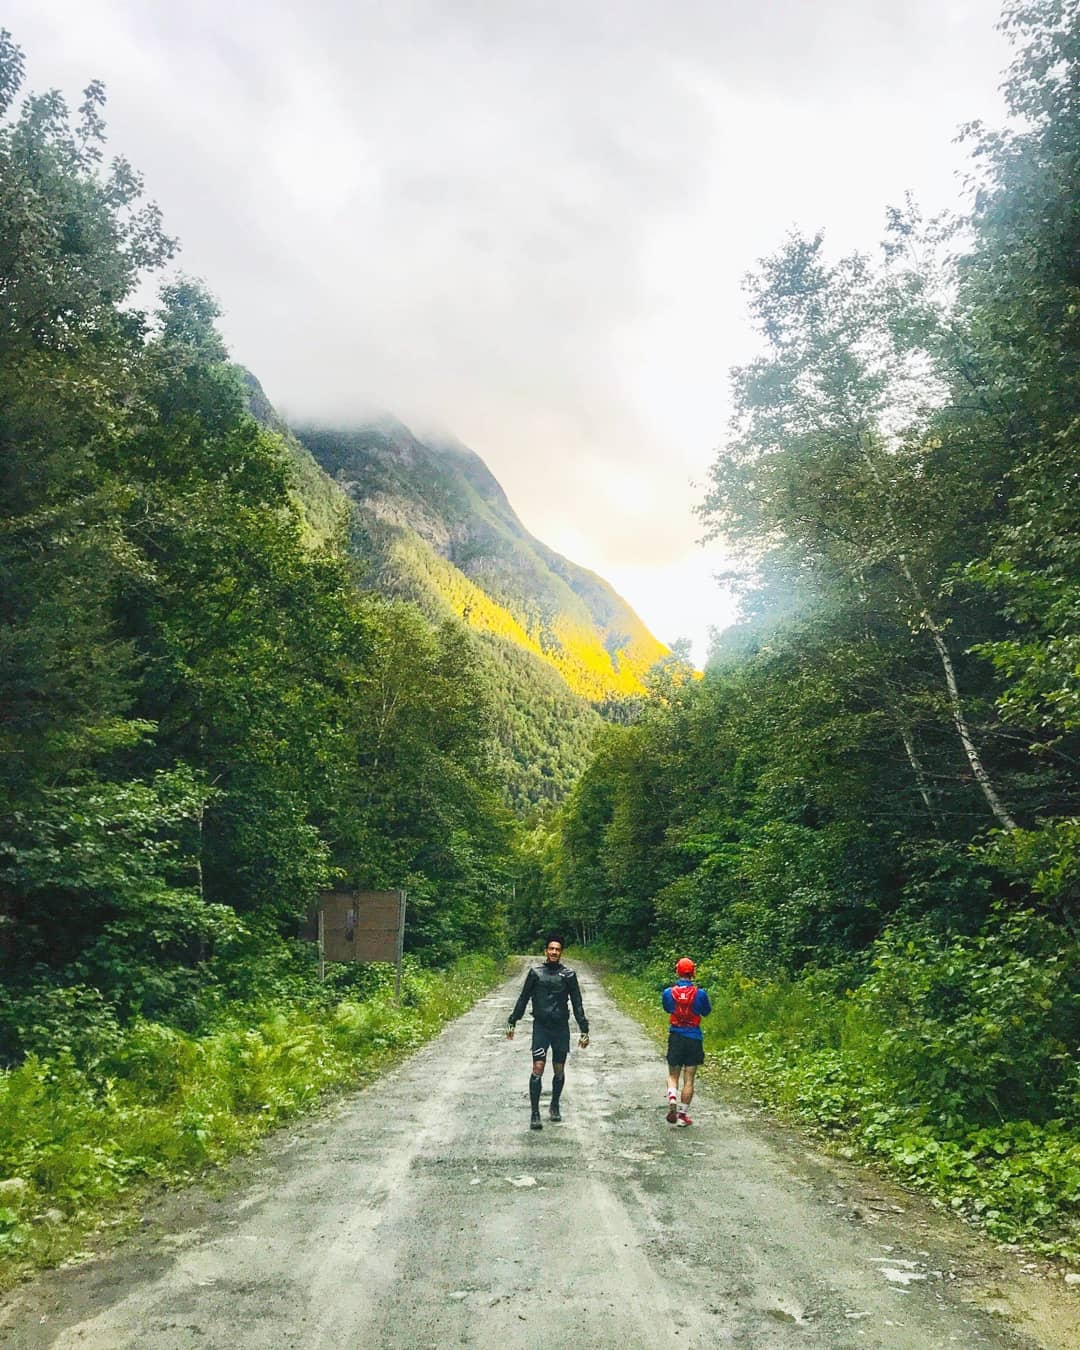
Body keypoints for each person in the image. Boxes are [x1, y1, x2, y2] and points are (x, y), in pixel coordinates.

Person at [506, 934, 589, 1130]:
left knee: (559, 1069)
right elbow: (523, 998)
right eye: (551, 949)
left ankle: (555, 1104)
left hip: (560, 1028)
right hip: (541, 1027)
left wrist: (584, 1029)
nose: (554, 952)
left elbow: (577, 1003)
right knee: (538, 1067)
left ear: (561, 952)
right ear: (546, 951)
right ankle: (535, 1113)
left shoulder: (569, 975)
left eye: (557, 949)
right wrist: (512, 1021)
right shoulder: (535, 973)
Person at [662, 957, 711, 1126]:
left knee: (672, 1075)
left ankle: (672, 1098)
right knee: (689, 1079)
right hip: (693, 1038)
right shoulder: (700, 994)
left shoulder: (668, 993)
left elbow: (668, 1008)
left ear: (678, 971)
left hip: (676, 1036)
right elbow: (706, 1012)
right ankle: (682, 1116)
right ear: (693, 973)